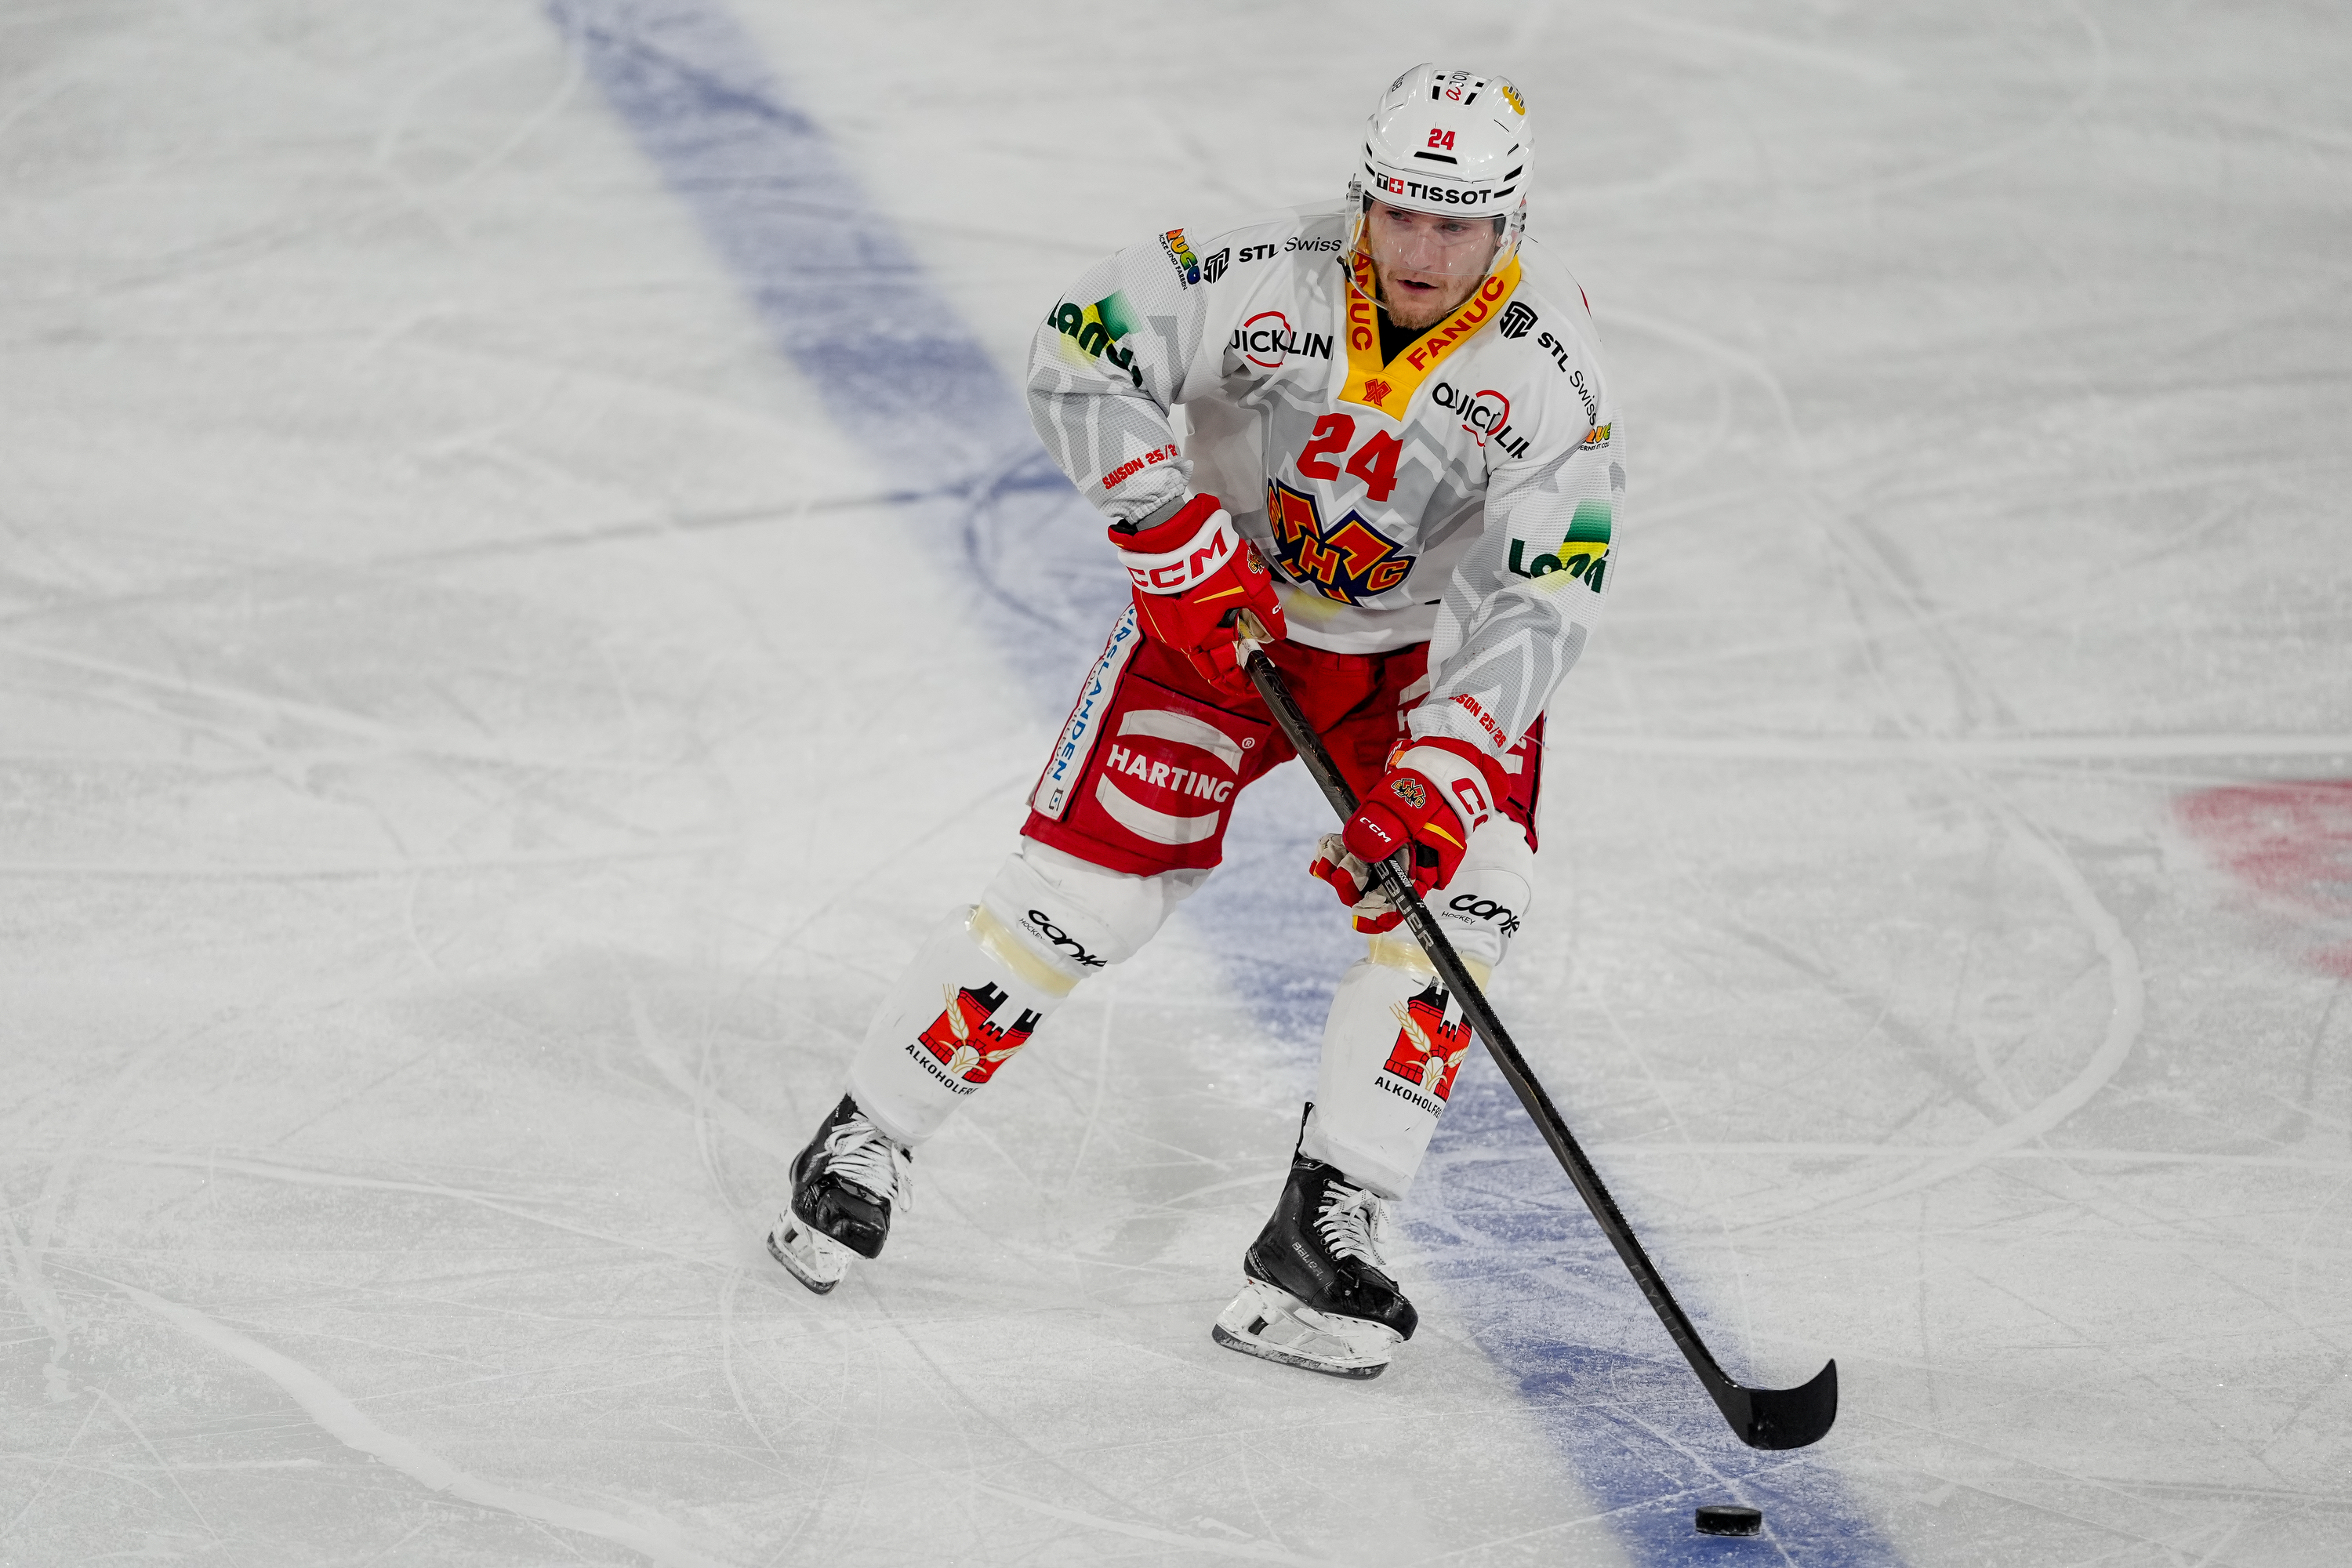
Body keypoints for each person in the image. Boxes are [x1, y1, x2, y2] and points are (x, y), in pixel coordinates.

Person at [768, 63, 1622, 1379]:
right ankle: (867, 1130)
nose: (1421, 249)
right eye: (1400, 211)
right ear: (1363, 193)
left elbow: (1543, 596)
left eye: (1457, 224)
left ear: (1510, 222)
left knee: (1463, 901)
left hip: (1415, 664)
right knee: (1086, 896)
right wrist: (1165, 523)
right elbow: (1080, 343)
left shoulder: (1557, 371)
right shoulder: (1254, 270)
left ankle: (1326, 1221)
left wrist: (1447, 767)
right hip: (1216, 626)